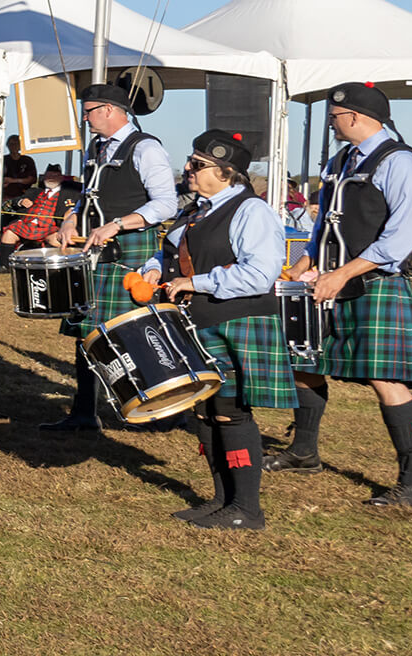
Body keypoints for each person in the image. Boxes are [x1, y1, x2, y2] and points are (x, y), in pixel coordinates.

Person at [276, 83, 412, 506]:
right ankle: (303, 452)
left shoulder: (400, 162)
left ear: (355, 116)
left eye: (334, 115)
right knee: (304, 360)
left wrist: (343, 273)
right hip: (330, 280)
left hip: (374, 285)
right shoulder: (342, 159)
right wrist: (304, 262)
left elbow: (399, 240)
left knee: (386, 379)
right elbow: (325, 225)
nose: (331, 121)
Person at [132, 131, 292, 530]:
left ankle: (248, 508)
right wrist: (154, 267)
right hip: (199, 321)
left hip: (236, 320)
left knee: (231, 413)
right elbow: (171, 250)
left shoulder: (251, 211)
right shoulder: (195, 211)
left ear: (225, 173)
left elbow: (260, 272)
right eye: (191, 160)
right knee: (205, 410)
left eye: (198, 165)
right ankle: (221, 499)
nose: (188, 168)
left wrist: (197, 282)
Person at [42, 84, 177, 431]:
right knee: (87, 335)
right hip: (94, 253)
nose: (84, 118)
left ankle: (153, 409)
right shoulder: (96, 148)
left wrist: (117, 224)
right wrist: (72, 220)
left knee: (132, 335)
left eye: (88, 111)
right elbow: (88, 193)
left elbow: (165, 203)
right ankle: (85, 411)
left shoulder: (146, 148)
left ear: (110, 110)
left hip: (129, 254)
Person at [2, 164, 72, 254]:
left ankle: (56, 267)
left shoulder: (68, 194)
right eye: (49, 175)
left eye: (55, 176)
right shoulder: (34, 191)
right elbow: (15, 201)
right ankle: (4, 267)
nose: (51, 178)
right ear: (44, 177)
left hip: (50, 228)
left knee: (56, 240)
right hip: (26, 225)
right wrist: (21, 201)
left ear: (61, 178)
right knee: (8, 235)